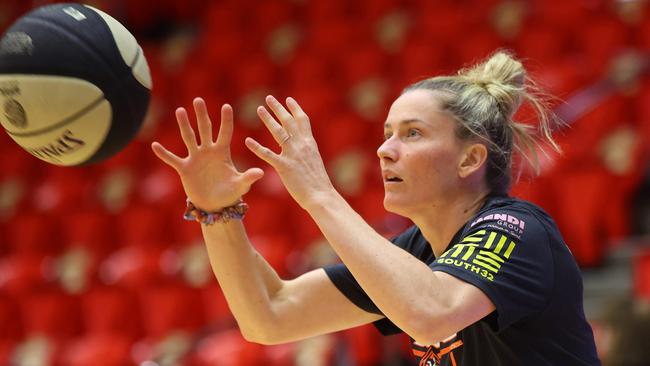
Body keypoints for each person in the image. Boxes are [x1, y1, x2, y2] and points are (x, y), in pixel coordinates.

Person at [151, 51, 601, 365]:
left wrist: (320, 195)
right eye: (387, 132)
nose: (385, 149)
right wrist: (218, 211)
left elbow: (431, 313)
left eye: (412, 133)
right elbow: (270, 314)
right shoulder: (418, 251)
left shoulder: (515, 228)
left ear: (470, 159)